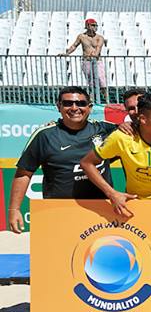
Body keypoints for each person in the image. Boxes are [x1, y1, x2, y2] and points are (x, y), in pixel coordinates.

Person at [7, 87, 118, 232]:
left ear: (89, 107)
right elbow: (24, 173)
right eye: (67, 103)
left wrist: (128, 126)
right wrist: (14, 209)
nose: (74, 108)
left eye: (81, 103)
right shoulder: (45, 135)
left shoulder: (106, 129)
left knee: (100, 254)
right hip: (59, 211)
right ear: (58, 106)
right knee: (60, 254)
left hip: (101, 211)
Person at [63, 18, 107, 101]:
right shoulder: (81, 36)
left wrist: (95, 54)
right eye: (93, 25)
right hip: (87, 61)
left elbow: (98, 48)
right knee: (91, 82)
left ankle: (107, 100)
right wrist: (67, 53)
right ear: (88, 26)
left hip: (97, 61)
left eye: (96, 25)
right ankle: (92, 99)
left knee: (101, 80)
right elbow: (74, 46)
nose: (95, 27)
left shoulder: (99, 37)